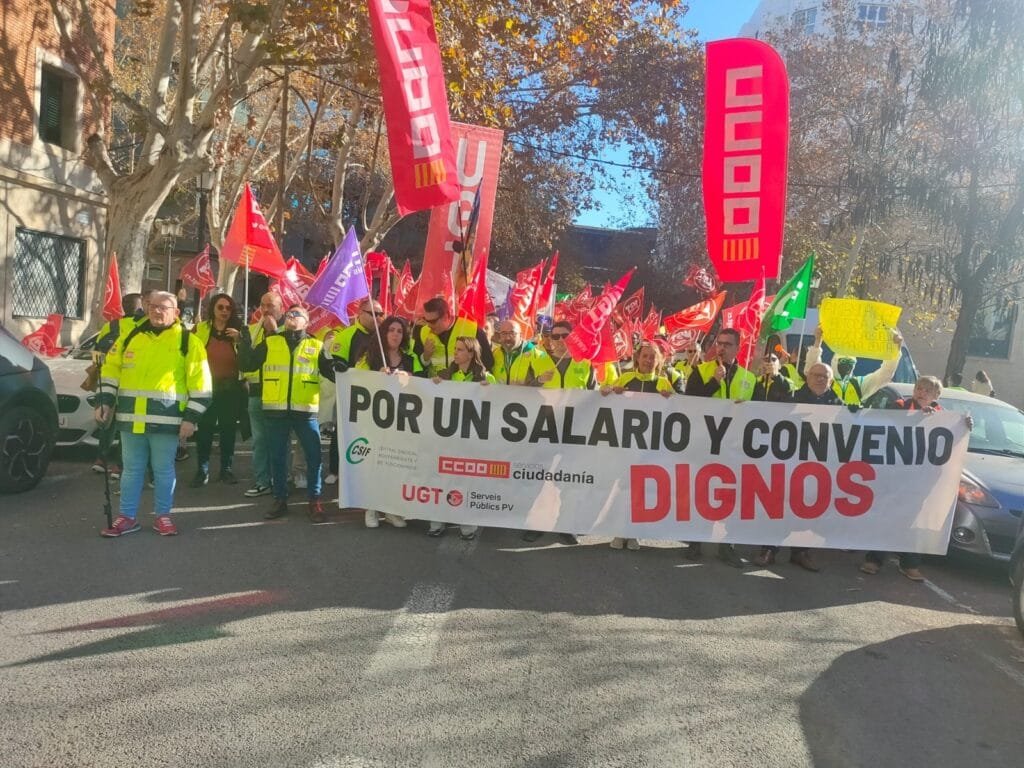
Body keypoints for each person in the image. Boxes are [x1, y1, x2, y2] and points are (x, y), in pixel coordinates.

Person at [95, 291, 212, 537]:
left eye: (164, 307)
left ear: (176, 312)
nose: (158, 311)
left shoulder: (189, 342)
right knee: (131, 470)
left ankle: (163, 517)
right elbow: (110, 370)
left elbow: (201, 385)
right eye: (153, 306)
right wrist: (104, 401)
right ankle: (126, 518)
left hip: (167, 422)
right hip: (130, 420)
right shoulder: (129, 336)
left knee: (163, 470)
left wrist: (191, 418)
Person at [860, 376, 972, 582]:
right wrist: (918, 417)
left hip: (921, 481)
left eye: (927, 390)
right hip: (895, 476)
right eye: (919, 388)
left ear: (936, 396)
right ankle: (874, 559)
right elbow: (891, 426)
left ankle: (910, 563)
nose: (921, 392)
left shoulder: (944, 417)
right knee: (888, 517)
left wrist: (964, 427)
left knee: (914, 522)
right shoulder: (899, 406)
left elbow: (950, 444)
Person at [240, 305, 333, 523]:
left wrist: (341, 365)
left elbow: (333, 370)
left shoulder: (316, 345)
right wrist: (244, 343)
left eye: (297, 314)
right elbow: (247, 363)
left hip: (305, 412)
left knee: (314, 457)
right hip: (275, 411)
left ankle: (314, 500)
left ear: (307, 322)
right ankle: (280, 499)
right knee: (278, 458)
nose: (292, 317)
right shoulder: (271, 341)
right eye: (289, 314)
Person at [752, 362, 839, 572]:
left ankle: (800, 552)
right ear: (807, 377)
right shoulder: (792, 400)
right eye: (816, 375)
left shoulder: (839, 404)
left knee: (809, 510)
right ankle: (769, 549)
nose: (820, 379)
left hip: (818, 466)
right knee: (782, 506)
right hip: (791, 464)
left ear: (831, 380)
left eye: (824, 376)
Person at [684, 327, 756, 567]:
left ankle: (728, 545)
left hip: (734, 445)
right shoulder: (701, 371)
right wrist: (715, 382)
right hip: (705, 442)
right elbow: (691, 401)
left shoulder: (749, 378)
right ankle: (696, 540)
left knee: (730, 494)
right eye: (720, 343)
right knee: (701, 492)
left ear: (737, 348)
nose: (722, 347)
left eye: (728, 344)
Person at [518, 320, 591, 545]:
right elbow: (517, 391)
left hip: (574, 432)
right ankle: (536, 524)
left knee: (570, 480)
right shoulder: (538, 359)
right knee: (540, 478)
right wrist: (537, 380)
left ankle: (567, 526)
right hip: (544, 429)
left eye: (564, 336)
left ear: (572, 337)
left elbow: (598, 394)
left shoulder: (586, 364)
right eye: (555, 336)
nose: (559, 340)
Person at [602, 340, 674, 551]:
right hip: (624, 445)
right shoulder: (624, 378)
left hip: (650, 448)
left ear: (659, 361)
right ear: (637, 359)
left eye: (653, 357)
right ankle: (619, 531)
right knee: (622, 489)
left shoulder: (664, 383)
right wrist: (607, 391)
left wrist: (671, 399)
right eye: (645, 356)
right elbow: (604, 398)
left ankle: (634, 533)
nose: (649, 361)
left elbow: (676, 411)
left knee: (642, 491)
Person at [356, 316, 425, 529]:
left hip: (402, 422)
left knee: (396, 467)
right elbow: (354, 380)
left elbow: (424, 385)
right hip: (376, 421)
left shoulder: (411, 358)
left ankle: (392, 510)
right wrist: (375, 377)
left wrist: (409, 378)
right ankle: (371, 508)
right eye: (391, 330)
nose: (395, 334)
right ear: (384, 333)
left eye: (399, 331)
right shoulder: (370, 357)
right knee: (375, 465)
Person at [427, 337, 494, 540]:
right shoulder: (445, 376)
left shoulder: (486, 378)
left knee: (467, 481)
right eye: (455, 349)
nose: (455, 353)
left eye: (460, 350)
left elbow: (499, 404)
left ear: (472, 353)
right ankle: (437, 520)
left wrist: (489, 391)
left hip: (471, 441)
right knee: (442, 478)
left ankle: (467, 524)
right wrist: (434, 385)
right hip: (447, 439)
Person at [325, 299, 383, 484]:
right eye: (373, 313)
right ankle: (335, 469)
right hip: (351, 395)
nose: (378, 318)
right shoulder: (347, 335)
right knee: (342, 432)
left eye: (381, 314)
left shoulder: (384, 335)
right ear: (360, 313)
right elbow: (334, 364)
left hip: (377, 396)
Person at [191, 293, 244, 486]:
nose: (224, 311)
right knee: (204, 430)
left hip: (230, 388)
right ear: (213, 308)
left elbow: (248, 357)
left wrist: (241, 339)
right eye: (220, 307)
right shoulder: (201, 328)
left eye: (228, 308)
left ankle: (226, 469)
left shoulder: (240, 330)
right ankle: (202, 470)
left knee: (228, 430)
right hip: (205, 388)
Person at [242, 293, 284, 498]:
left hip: (279, 394)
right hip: (257, 392)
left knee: (279, 440)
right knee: (259, 440)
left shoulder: (288, 331)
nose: (267, 309)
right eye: (263, 305)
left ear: (281, 309)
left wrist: (273, 333)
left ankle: (281, 479)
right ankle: (262, 481)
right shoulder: (251, 330)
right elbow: (244, 360)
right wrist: (245, 379)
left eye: (272, 305)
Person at [803, 325, 903, 405]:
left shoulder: (858, 385)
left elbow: (885, 374)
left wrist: (895, 349)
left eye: (850, 363)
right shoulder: (826, 380)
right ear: (835, 362)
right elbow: (811, 369)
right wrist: (817, 342)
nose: (847, 366)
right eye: (843, 362)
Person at [415, 296, 494, 377]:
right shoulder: (423, 332)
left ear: (446, 317)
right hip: (436, 386)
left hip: (464, 386)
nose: (428, 325)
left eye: (432, 322)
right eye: (426, 320)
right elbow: (415, 366)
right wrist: (425, 357)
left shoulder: (472, 330)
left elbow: (488, 363)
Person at [492, 320, 553, 385]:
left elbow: (546, 384)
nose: (508, 337)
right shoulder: (495, 353)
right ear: (499, 335)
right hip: (499, 394)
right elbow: (490, 377)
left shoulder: (537, 355)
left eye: (512, 333)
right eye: (504, 333)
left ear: (521, 335)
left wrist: (536, 382)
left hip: (525, 395)